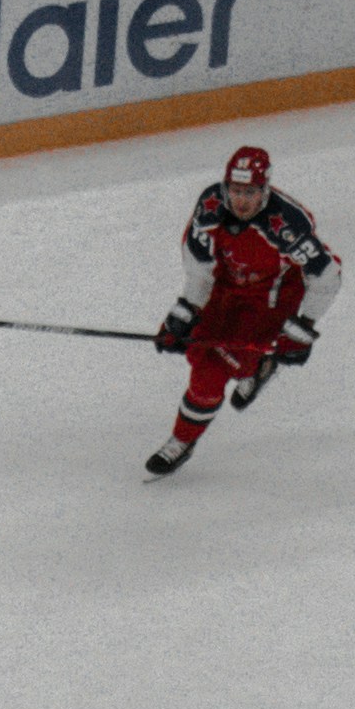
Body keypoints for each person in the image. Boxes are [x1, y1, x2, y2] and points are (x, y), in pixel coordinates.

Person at [144, 151, 330, 480]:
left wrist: (302, 328)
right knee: (202, 358)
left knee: (218, 367)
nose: (241, 201)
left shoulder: (285, 224)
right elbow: (200, 270)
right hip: (226, 287)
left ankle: (188, 434)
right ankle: (254, 369)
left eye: (250, 193)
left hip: (271, 296)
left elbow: (327, 276)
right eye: (235, 190)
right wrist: (185, 313)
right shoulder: (211, 207)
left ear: (265, 190)